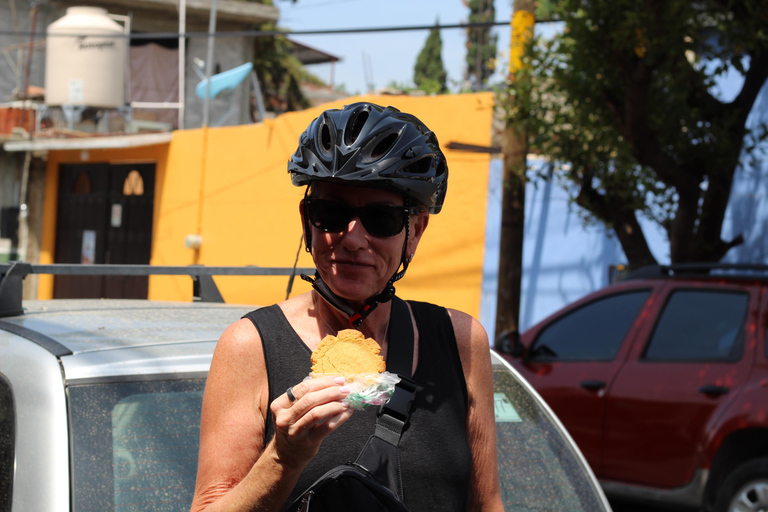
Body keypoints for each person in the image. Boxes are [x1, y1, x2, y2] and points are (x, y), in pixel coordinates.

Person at [190, 102, 503, 511]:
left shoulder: (461, 341)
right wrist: (282, 458)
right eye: (331, 213)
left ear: (416, 231)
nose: (353, 239)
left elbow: (488, 504)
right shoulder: (249, 346)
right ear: (307, 220)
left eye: (382, 218)